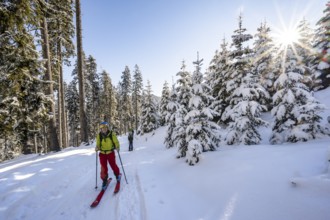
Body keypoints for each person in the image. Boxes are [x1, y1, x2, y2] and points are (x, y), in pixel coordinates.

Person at [95, 122, 121, 188]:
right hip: (102, 153)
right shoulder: (99, 135)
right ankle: (104, 180)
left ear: (107, 128)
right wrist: (97, 147)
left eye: (105, 127)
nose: (104, 129)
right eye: (102, 128)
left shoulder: (111, 134)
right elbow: (98, 144)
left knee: (113, 165)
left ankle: (117, 175)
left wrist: (117, 147)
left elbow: (116, 141)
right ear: (101, 129)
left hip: (110, 153)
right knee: (103, 168)